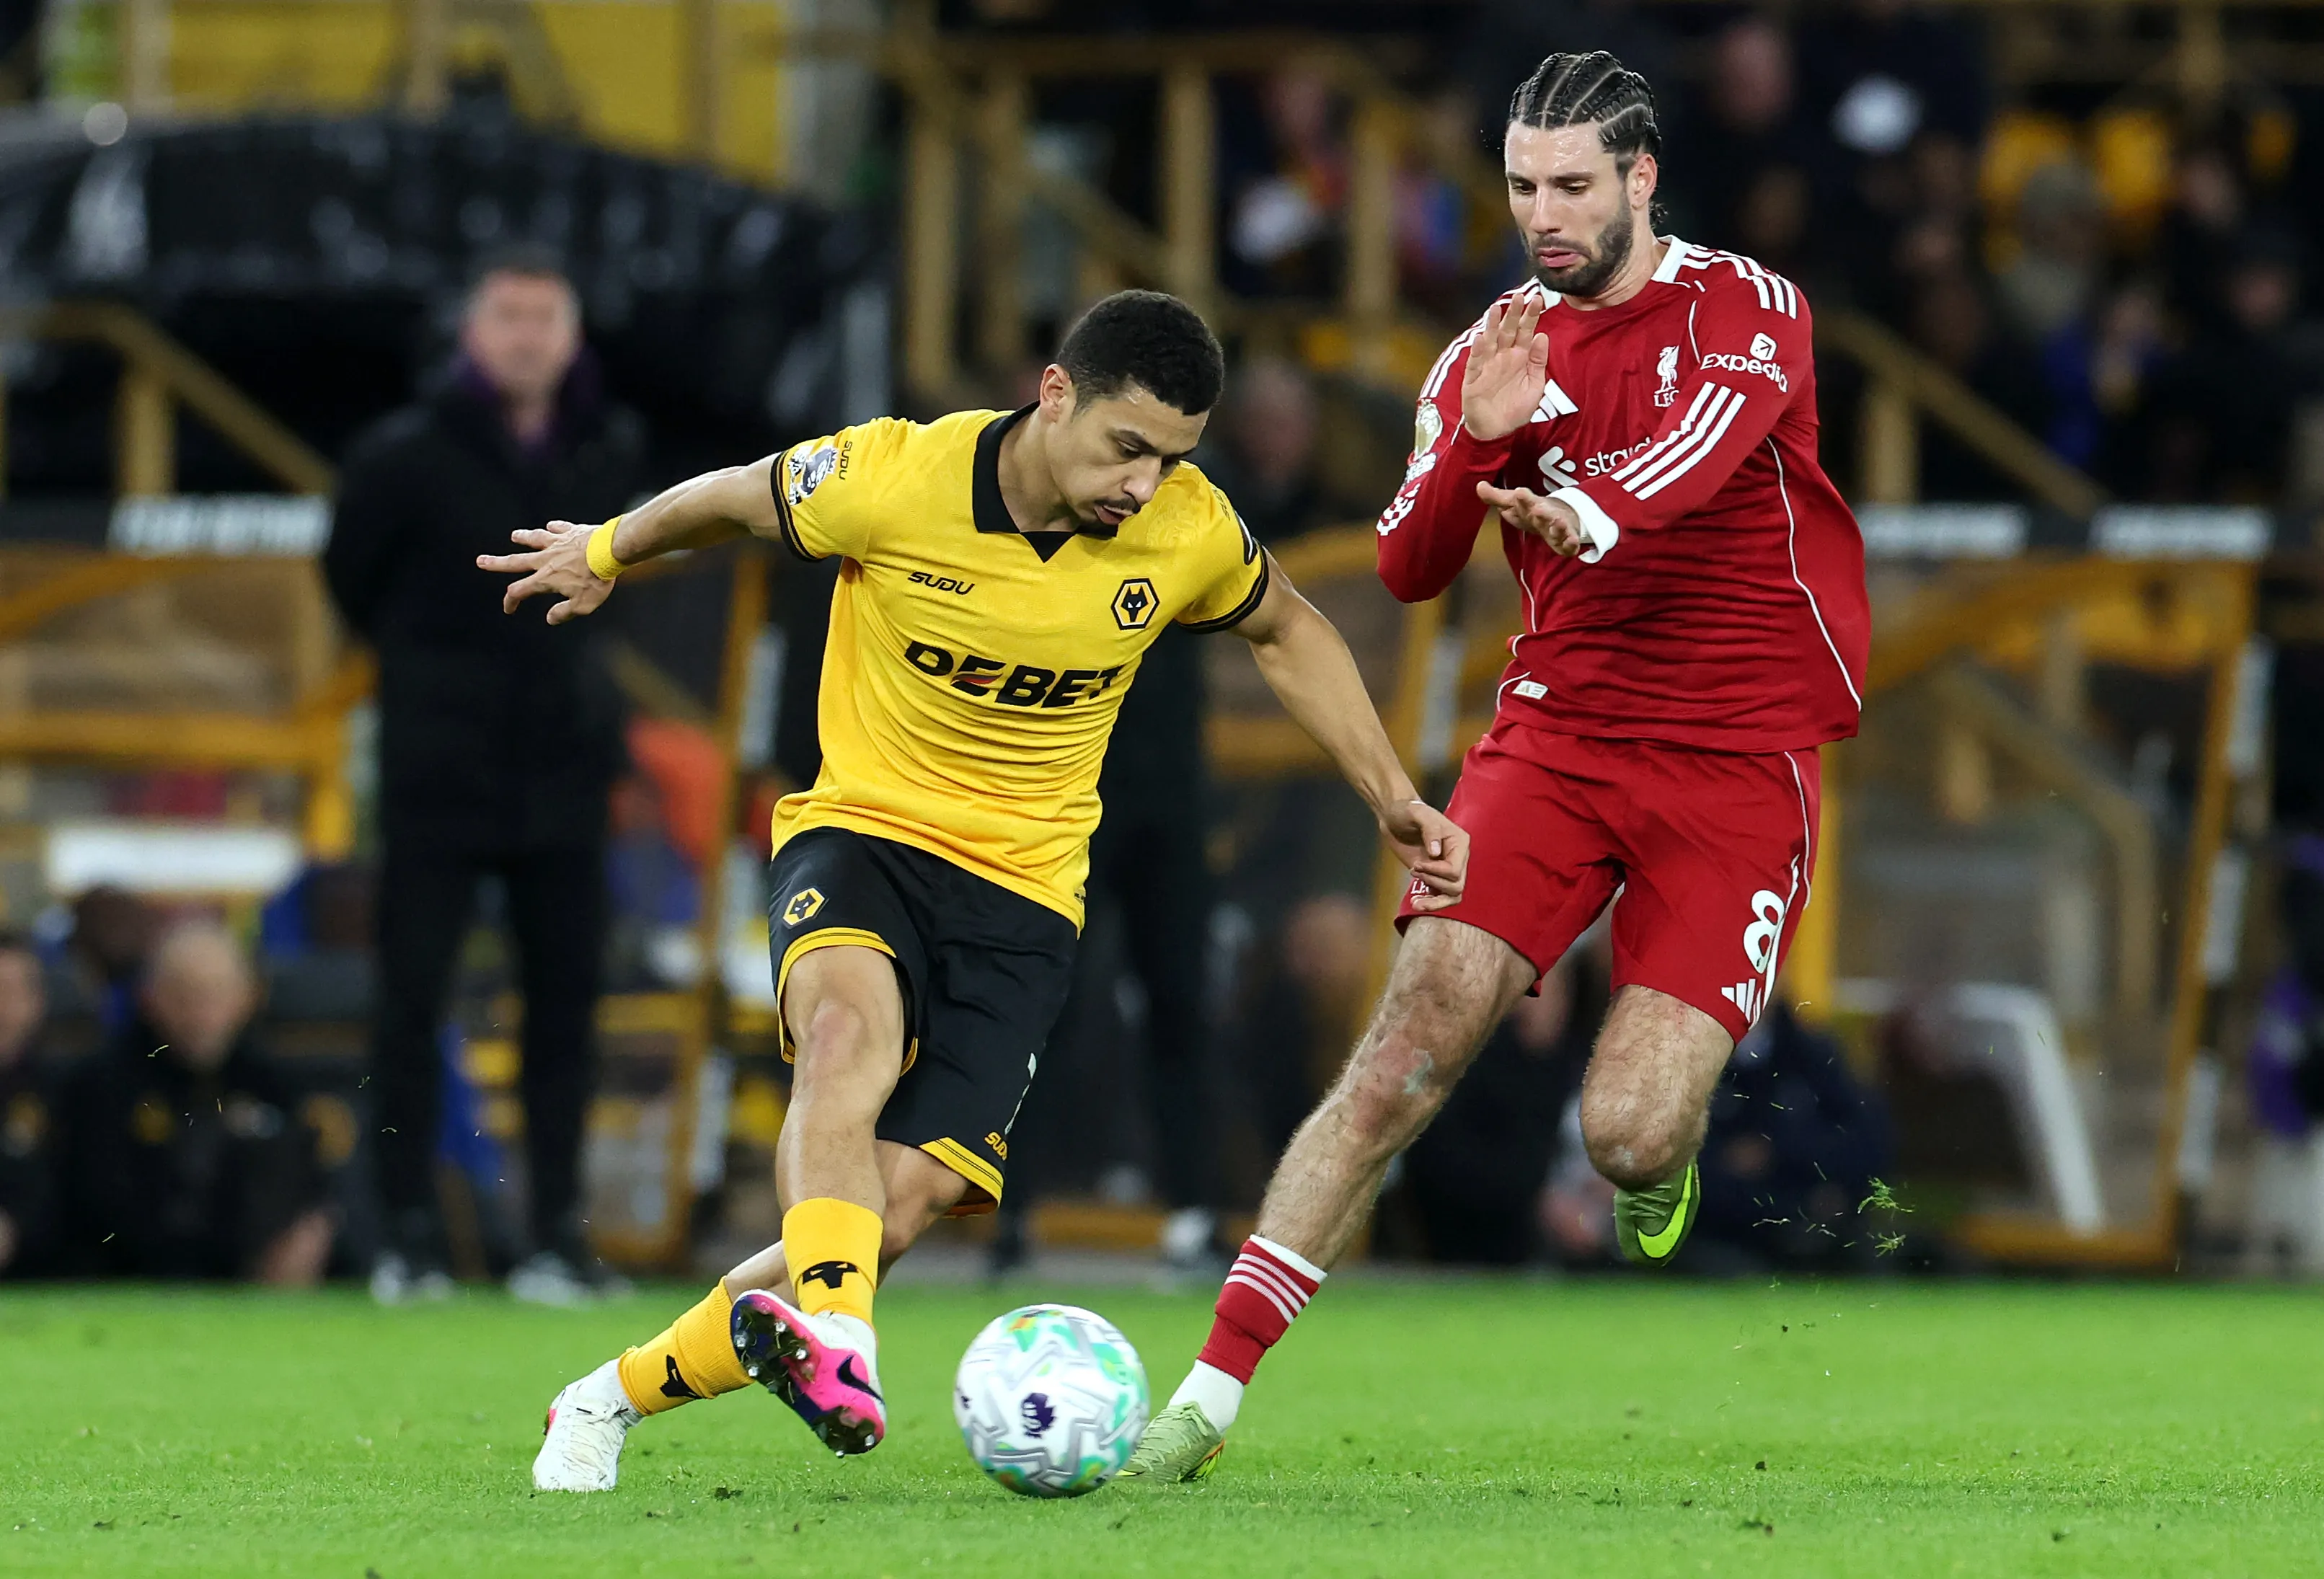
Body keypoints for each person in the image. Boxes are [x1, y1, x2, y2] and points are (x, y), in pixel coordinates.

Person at [495, 289, 1469, 1490]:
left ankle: (607, 1397)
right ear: (1052, 395)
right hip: (863, 835)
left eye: (1172, 460)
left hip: (1023, 901)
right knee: (845, 1038)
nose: (1144, 485)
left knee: (889, 1214)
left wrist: (1387, 791)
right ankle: (843, 1341)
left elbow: (1289, 630)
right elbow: (738, 496)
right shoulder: (893, 476)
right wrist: (602, 551)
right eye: (1126, 448)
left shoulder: (1185, 530)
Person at [1125, 50, 1868, 1482]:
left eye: (1574, 185)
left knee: (1630, 1139)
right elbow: (1407, 566)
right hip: (1557, 738)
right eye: (1523, 184)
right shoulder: (1486, 350)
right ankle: (1203, 1401)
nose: (1544, 212)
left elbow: (1692, 465)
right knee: (1401, 1053)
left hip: (1738, 755)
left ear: (1641, 179)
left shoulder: (1750, 308)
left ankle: (1668, 1159)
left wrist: (1579, 506)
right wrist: (1473, 446)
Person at [324, 247, 645, 1306]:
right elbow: (350, 579)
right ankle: (403, 1235)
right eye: (506, 314)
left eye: (545, 316)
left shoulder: (608, 450)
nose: (525, 336)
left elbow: (631, 579)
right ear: (469, 327)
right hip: (436, 774)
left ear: (574, 333)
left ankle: (557, 1233)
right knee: (409, 1004)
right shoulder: (402, 455)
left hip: (562, 772)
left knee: (567, 1008)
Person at [63, 922, 335, 1283]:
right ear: (148, 997)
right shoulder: (103, 1084)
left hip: (259, 1288)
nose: (201, 1015)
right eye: (184, 995)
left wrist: (306, 1236)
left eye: (216, 994)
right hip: (132, 1283)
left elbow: (321, 1187)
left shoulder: (277, 1084)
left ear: (250, 997)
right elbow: (95, 1211)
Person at [0, 929, 63, 1278]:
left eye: (10, 992)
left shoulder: (69, 1093)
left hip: (46, 1281)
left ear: (36, 1002)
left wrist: (16, 1228)